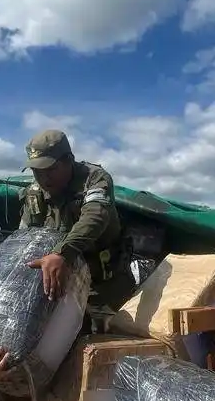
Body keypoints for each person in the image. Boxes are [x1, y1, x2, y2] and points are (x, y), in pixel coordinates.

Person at [20, 129, 136, 315]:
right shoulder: (35, 193)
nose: (43, 178)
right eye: (36, 171)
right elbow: (25, 238)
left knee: (112, 337)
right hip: (61, 287)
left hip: (104, 285)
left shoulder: (94, 178)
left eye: (50, 169)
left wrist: (63, 254)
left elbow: (95, 216)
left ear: (68, 160)